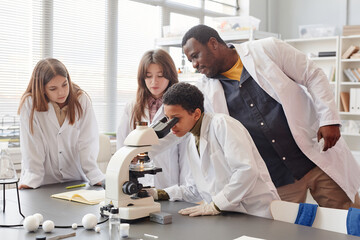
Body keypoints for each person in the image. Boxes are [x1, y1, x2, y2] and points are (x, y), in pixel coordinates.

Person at [181, 24, 360, 209]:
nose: (194, 65)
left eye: (195, 56)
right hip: (277, 178)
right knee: (285, 232)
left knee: (349, 220)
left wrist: (329, 120)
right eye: (190, 60)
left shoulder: (267, 49)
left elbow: (313, 75)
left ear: (213, 43)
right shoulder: (205, 91)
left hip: (316, 157)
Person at [155, 82, 279, 218]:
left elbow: (247, 171)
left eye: (176, 119)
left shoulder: (222, 124)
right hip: (229, 216)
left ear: (196, 114)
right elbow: (195, 189)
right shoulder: (192, 140)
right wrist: (159, 193)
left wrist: (215, 205)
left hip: (255, 212)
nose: (170, 126)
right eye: (168, 119)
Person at [18, 58, 104, 189]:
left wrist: (94, 174)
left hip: (75, 179)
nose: (61, 92)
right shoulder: (30, 104)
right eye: (53, 88)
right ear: (42, 89)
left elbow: (87, 141)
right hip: (43, 183)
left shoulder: (81, 100)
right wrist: (32, 178)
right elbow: (32, 145)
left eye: (65, 84)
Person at [116, 49, 192, 195]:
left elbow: (185, 155)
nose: (154, 82)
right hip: (137, 184)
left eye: (160, 76)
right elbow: (122, 145)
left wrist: (184, 190)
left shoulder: (180, 109)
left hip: (170, 185)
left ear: (170, 75)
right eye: (148, 76)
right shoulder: (132, 107)